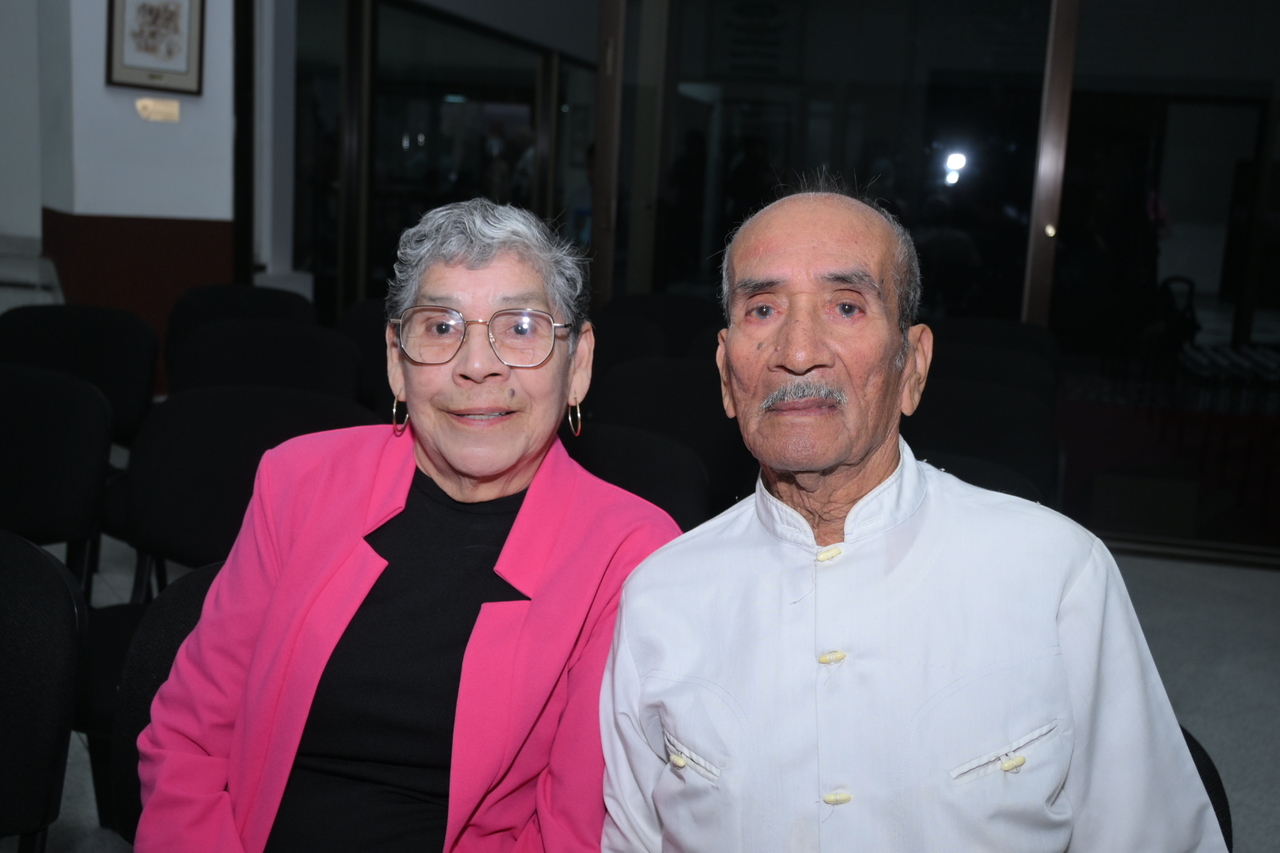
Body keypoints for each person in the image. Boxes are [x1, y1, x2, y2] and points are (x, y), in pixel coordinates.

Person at [599, 189, 1227, 852]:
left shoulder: (1056, 574)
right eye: (763, 308)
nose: (798, 350)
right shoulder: (660, 597)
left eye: (846, 305)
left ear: (913, 366)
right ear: (728, 375)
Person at [136, 198, 681, 853]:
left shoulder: (632, 555)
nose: (477, 364)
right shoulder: (298, 481)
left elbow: (569, 829)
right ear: (397, 361)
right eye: (441, 326)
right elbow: (189, 741)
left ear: (579, 364)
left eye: (521, 327)